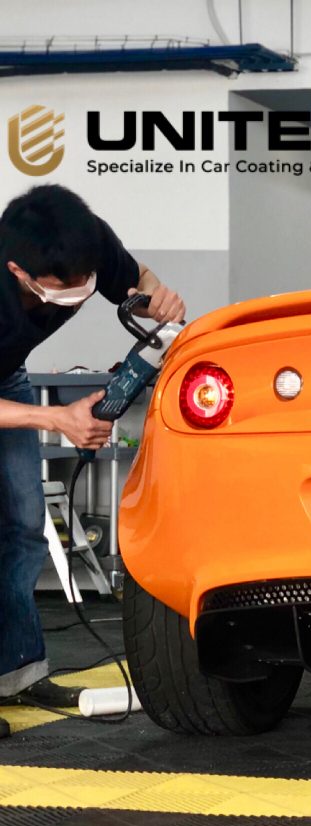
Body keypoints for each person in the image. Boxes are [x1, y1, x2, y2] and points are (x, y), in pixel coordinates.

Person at [0, 184, 185, 737]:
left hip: (6, 375)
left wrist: (156, 297)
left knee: (23, 528)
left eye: (87, 283)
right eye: (65, 290)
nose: (80, 297)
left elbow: (138, 280)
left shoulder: (85, 242)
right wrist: (56, 419)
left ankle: (16, 673)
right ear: (17, 271)